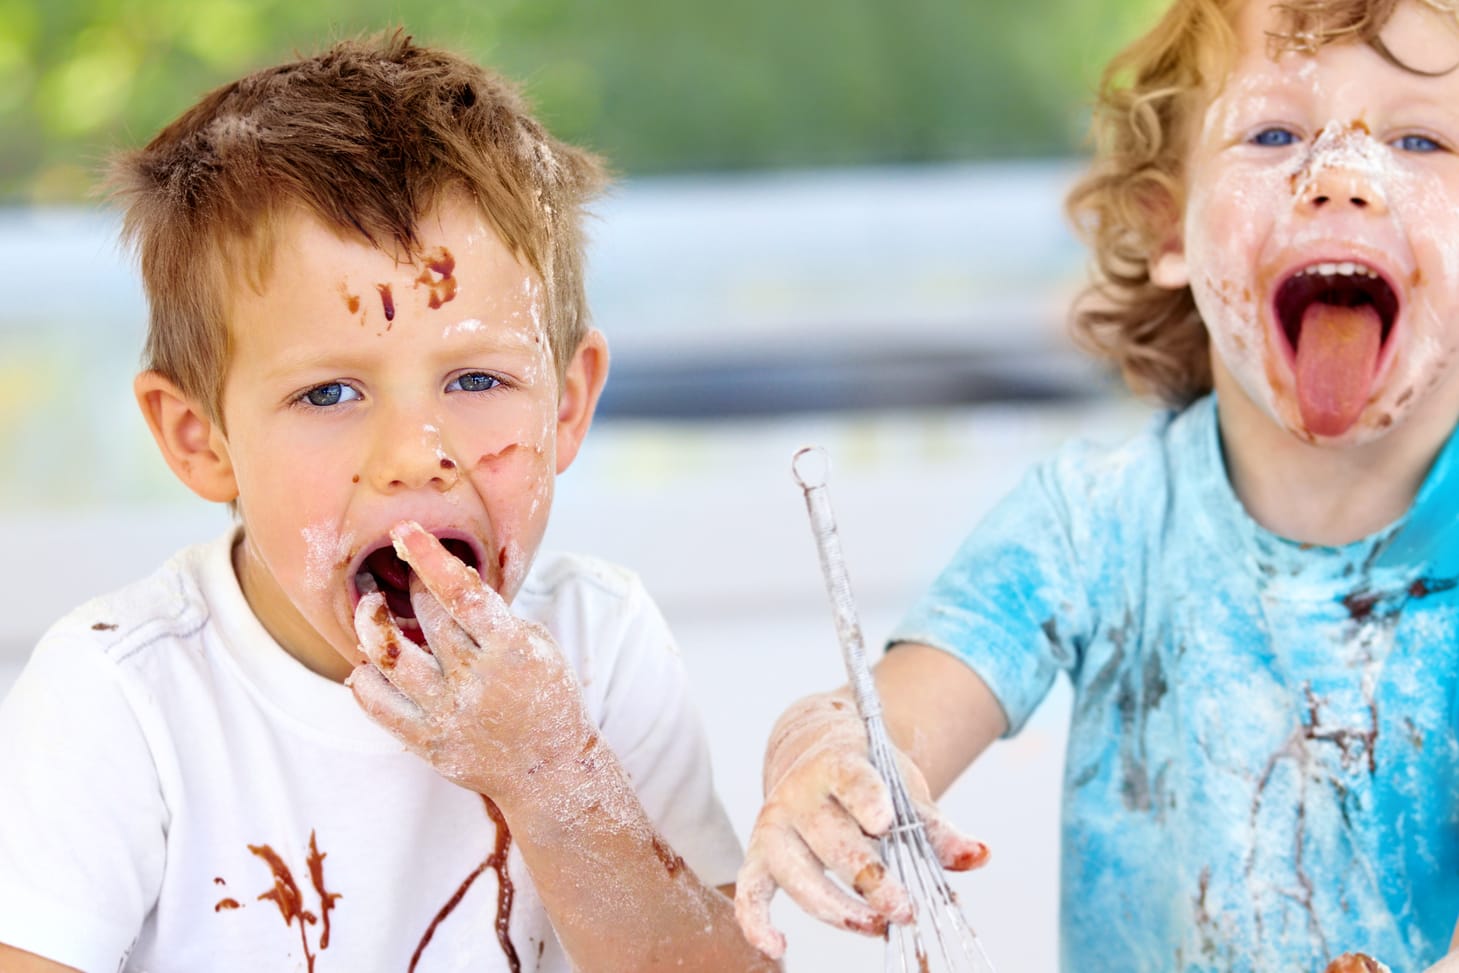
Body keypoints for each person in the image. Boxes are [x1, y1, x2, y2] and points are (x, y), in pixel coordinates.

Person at [0, 33, 777, 973]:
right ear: (200, 438)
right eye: (329, 394)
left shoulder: (598, 642)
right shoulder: (122, 697)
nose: (417, 456)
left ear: (567, 405)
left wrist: (552, 775)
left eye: (477, 378)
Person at [733, 0, 1459, 969]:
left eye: (1417, 138)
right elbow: (892, 714)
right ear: (1169, 224)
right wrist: (829, 762)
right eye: (1274, 132)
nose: (1343, 178)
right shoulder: (1091, 521)